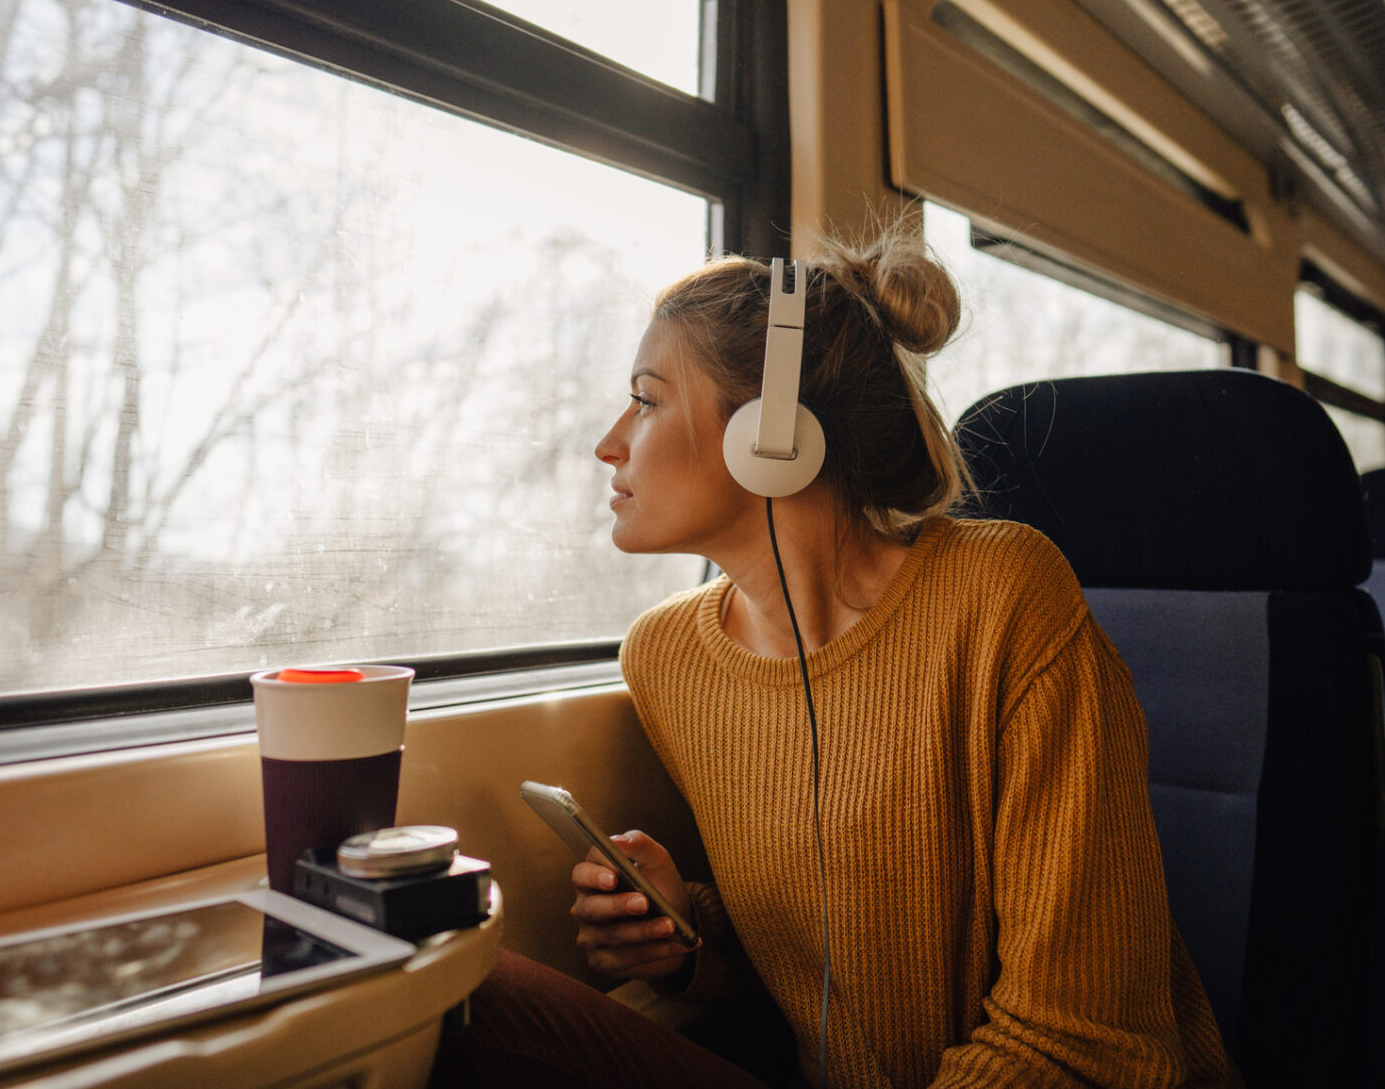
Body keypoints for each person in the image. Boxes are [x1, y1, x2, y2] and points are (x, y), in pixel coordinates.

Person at [433, 226, 1239, 1089]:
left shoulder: (1004, 596)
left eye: (647, 399)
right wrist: (689, 941)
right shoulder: (666, 658)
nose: (610, 442)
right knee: (466, 996)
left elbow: (1087, 1039)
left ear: (770, 433)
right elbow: (829, 978)